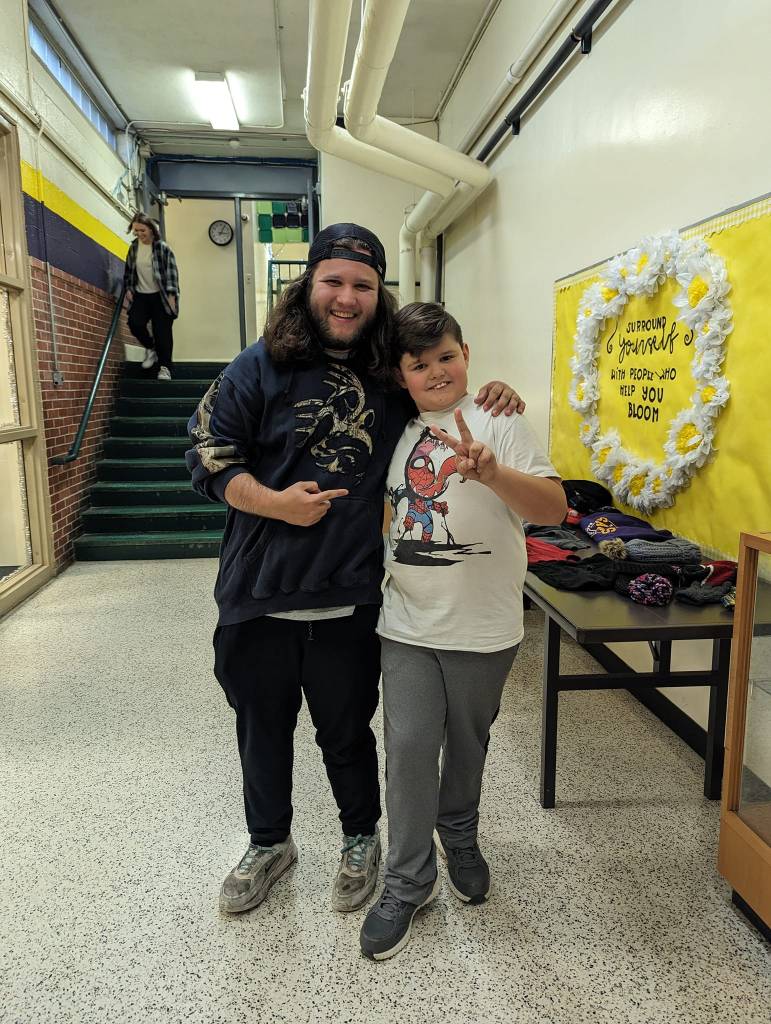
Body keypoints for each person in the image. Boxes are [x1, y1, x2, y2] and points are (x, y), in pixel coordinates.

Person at [184, 223, 524, 919]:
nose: (346, 297)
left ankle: (361, 837)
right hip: (257, 592)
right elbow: (208, 457)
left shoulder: (385, 373)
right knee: (261, 726)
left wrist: (492, 394)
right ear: (307, 284)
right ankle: (267, 842)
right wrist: (275, 504)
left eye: (362, 285)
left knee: (347, 730)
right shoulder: (255, 367)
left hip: (350, 596)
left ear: (378, 293)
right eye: (333, 281)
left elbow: (440, 396)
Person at [359, 302, 566, 961]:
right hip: (407, 624)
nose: (436, 372)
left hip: (485, 625)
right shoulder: (391, 428)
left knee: (468, 744)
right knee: (410, 747)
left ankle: (461, 833)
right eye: (418, 365)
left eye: (445, 357)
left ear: (466, 354)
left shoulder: (499, 418)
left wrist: (491, 472)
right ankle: (406, 879)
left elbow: (554, 509)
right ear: (400, 375)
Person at [123, 212, 179, 380]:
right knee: (134, 323)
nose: (139, 234)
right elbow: (129, 271)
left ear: (151, 230)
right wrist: (128, 289)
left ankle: (164, 368)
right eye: (136, 231)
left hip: (160, 296)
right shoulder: (134, 248)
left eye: (142, 231)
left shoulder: (162, 248)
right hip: (141, 295)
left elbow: (171, 273)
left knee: (162, 333)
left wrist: (172, 297)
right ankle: (150, 347)